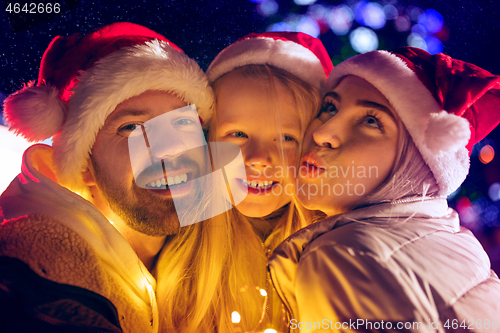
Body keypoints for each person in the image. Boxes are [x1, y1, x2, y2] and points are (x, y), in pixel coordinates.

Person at [268, 47, 500, 332]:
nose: (322, 133)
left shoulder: (343, 257)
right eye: (330, 106)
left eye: (371, 121)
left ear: (418, 160)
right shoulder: (454, 237)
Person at [0, 22, 213, 332]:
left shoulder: (211, 260)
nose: (169, 150)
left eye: (182, 123)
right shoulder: (36, 280)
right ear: (85, 165)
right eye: (132, 128)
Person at [154, 32, 332, 332]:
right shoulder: (176, 246)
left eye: (286, 138)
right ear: (207, 139)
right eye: (238, 134)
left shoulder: (337, 251)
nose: (258, 158)